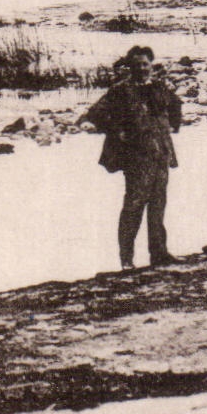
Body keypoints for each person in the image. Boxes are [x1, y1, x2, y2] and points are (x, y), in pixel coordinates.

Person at [81, 45, 182, 269]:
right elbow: (95, 113)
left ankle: (159, 254)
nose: (142, 69)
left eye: (145, 64)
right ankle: (127, 260)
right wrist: (118, 131)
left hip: (161, 155)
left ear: (152, 65)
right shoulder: (120, 90)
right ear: (130, 67)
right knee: (133, 208)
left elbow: (176, 108)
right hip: (136, 158)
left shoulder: (160, 86)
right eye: (137, 65)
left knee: (158, 205)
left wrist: (172, 125)